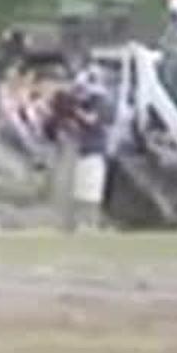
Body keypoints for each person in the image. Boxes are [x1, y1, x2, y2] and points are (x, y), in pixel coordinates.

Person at [58, 68, 111, 231]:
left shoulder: (100, 103)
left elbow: (91, 120)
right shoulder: (87, 103)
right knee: (79, 193)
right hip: (83, 152)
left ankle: (90, 225)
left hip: (94, 152)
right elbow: (76, 127)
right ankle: (79, 224)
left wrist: (75, 111)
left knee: (90, 194)